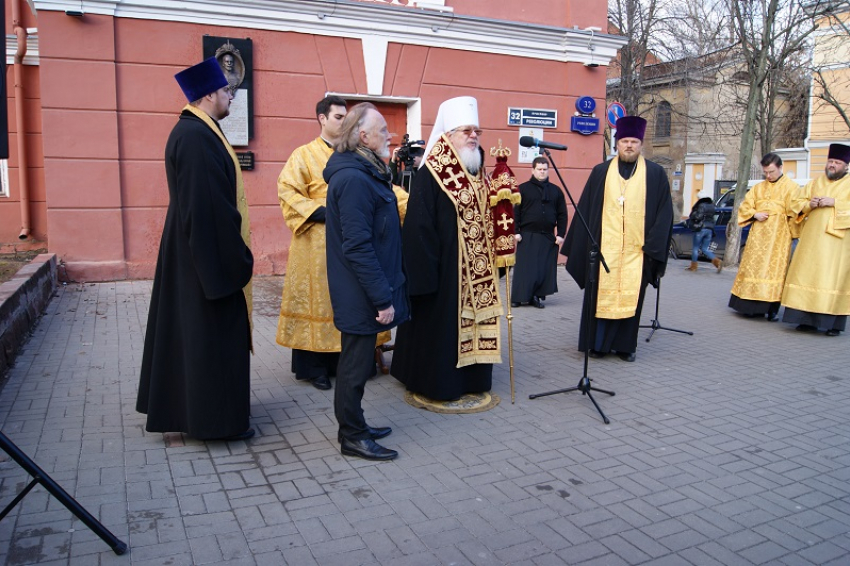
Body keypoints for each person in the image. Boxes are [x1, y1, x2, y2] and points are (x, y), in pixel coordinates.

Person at [136, 58, 254, 441]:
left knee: (195, 341)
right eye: (225, 91)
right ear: (206, 94)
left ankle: (198, 412)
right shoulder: (195, 137)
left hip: (194, 257)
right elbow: (207, 210)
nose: (230, 97)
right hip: (207, 264)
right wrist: (230, 267)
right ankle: (216, 423)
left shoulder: (198, 132)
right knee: (211, 342)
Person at [391, 96, 502, 401]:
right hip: (444, 271)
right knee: (441, 330)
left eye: (476, 131)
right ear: (449, 134)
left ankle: (473, 378)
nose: (473, 136)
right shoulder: (432, 172)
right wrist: (425, 275)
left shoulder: (477, 170)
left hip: (476, 271)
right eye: (466, 130)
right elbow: (419, 228)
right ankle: (440, 383)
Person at [324, 103, 410, 460]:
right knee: (355, 366)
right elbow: (358, 247)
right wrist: (382, 298)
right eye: (382, 131)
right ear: (363, 137)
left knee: (355, 363)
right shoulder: (356, 179)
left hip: (363, 290)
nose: (389, 136)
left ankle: (354, 423)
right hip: (361, 292)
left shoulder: (366, 171)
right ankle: (353, 436)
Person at [561, 116, 673, 362]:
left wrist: (652, 247)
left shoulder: (654, 174)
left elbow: (664, 214)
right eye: (624, 141)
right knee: (599, 298)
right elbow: (587, 210)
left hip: (637, 253)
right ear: (617, 144)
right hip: (603, 253)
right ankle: (597, 345)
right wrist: (584, 245)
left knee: (632, 300)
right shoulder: (601, 172)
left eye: (634, 141)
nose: (629, 146)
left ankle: (626, 347)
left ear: (641, 144)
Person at [275, 96, 349, 391]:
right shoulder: (302, 155)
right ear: (322, 118)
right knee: (317, 299)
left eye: (346, 117)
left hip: (347, 239)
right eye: (339, 117)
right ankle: (314, 367)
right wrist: (319, 211)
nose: (344, 122)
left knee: (344, 297)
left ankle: (346, 362)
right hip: (314, 239)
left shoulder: (352, 154)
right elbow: (287, 190)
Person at [781, 143, 850, 336]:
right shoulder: (815, 182)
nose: (832, 165)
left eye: (836, 162)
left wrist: (835, 202)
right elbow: (795, 203)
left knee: (831, 279)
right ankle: (805, 321)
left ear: (845, 165)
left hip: (837, 244)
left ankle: (832, 325)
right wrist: (808, 205)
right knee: (807, 275)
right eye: (830, 161)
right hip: (812, 241)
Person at [729, 153, 805, 320]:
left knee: (774, 272)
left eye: (771, 172)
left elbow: (797, 210)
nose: (768, 176)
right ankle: (748, 307)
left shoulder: (792, 188)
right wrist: (754, 214)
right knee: (753, 268)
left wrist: (804, 210)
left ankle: (771, 310)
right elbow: (745, 207)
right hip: (758, 237)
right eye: (766, 173)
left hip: (779, 238)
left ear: (780, 167)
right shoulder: (758, 188)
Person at [511, 156, 568, 308]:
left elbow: (562, 214)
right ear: (533, 170)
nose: (542, 172)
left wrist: (561, 234)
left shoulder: (556, 191)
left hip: (547, 236)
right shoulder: (522, 189)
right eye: (539, 169)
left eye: (544, 169)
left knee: (541, 269)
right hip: (527, 234)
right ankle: (518, 297)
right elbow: (516, 212)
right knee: (524, 268)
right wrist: (516, 231)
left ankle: (535, 296)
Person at [686, 190, 721, 273]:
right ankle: (717, 262)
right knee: (705, 248)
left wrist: (693, 215)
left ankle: (693, 267)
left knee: (695, 248)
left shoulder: (701, 205)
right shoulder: (712, 206)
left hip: (701, 228)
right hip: (710, 229)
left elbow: (698, 217)